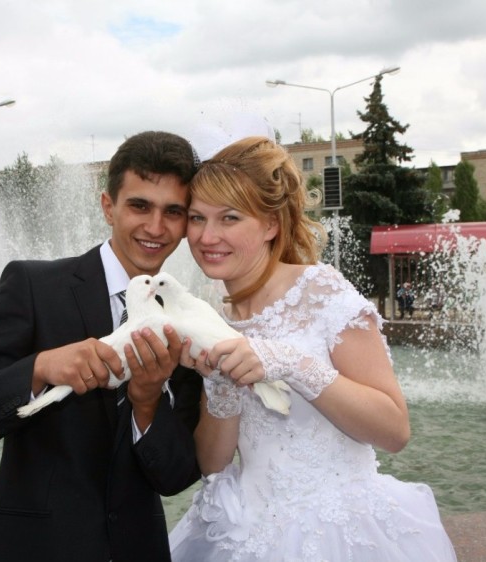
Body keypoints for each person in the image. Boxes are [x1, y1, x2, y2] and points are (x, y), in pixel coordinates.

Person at [168, 136, 456, 561]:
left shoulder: (321, 291)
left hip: (336, 531)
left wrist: (290, 363)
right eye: (197, 218)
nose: (207, 236)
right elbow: (213, 464)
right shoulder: (213, 316)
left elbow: (395, 431)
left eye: (229, 217)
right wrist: (221, 385)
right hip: (242, 530)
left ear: (271, 224)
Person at [0, 131, 203, 562]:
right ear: (108, 206)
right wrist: (38, 368)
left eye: (173, 211)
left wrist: (148, 404)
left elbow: (175, 477)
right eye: (140, 206)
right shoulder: (33, 286)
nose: (156, 227)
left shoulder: (184, 324)